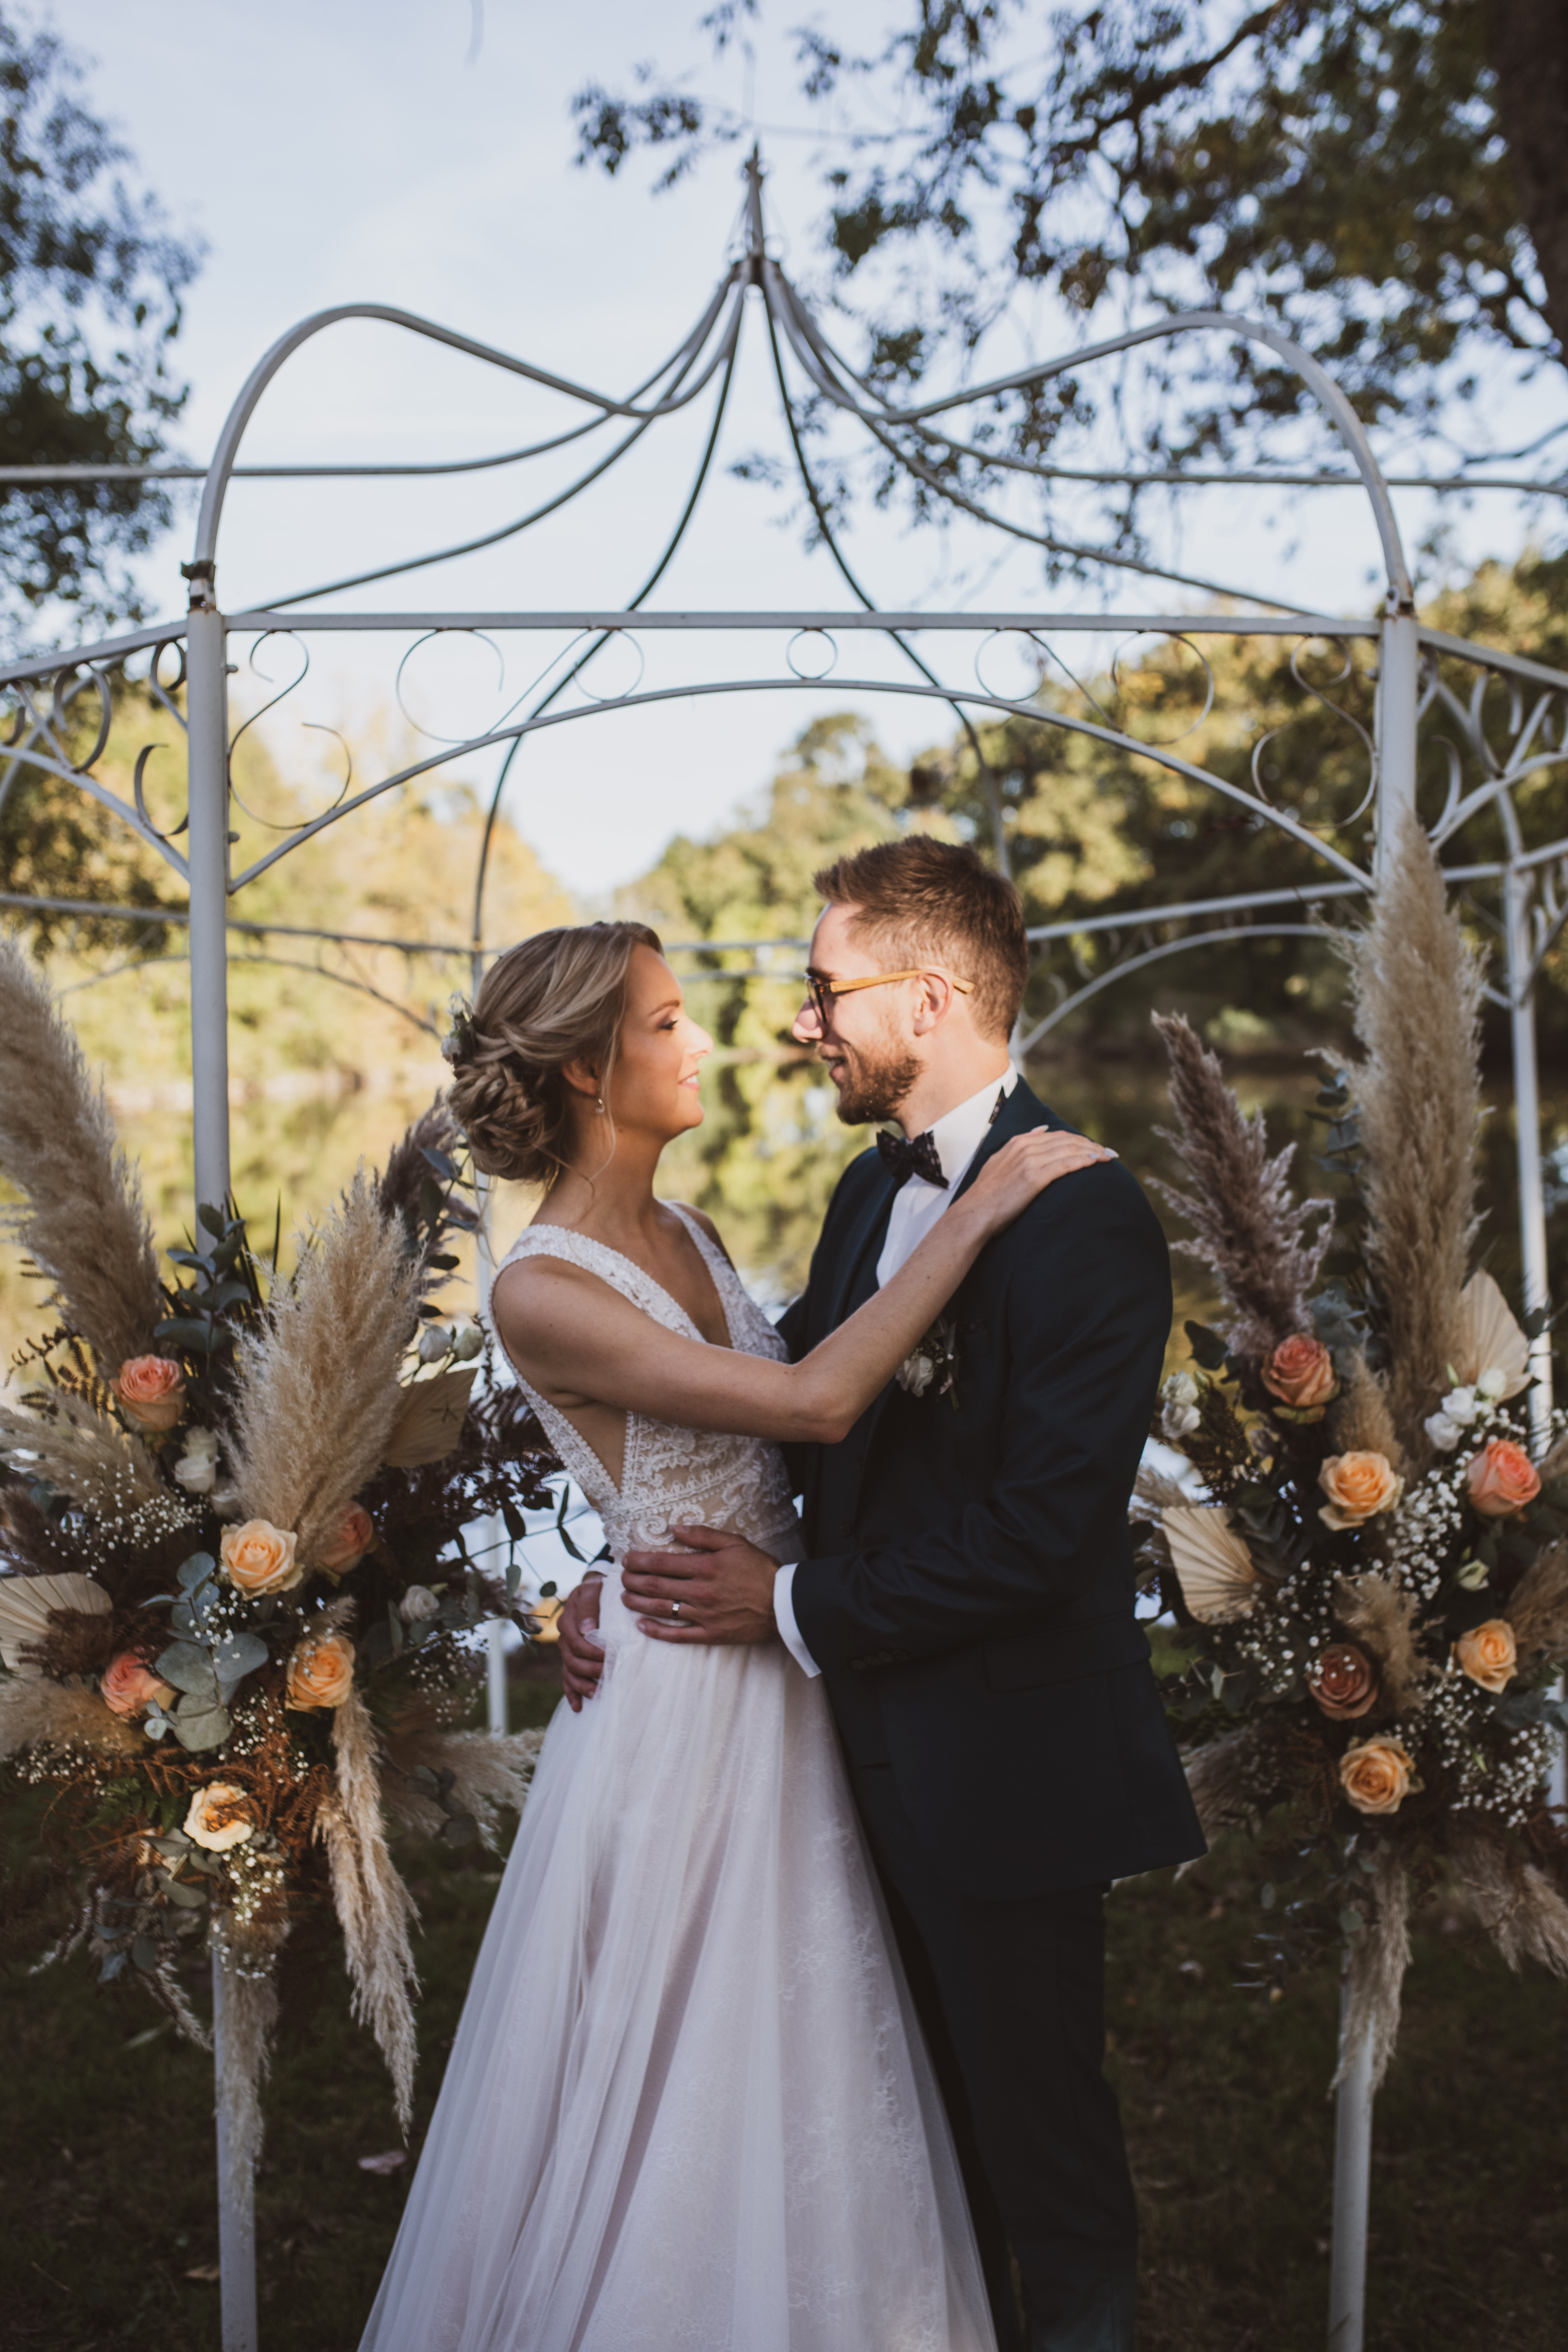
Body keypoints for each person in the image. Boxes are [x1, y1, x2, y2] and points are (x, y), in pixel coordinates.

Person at [356, 915, 1111, 2352]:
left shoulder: (693, 1228)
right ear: (587, 1067)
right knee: (685, 2049)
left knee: (819, 2039)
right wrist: (987, 1200)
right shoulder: (542, 1285)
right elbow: (818, 1403)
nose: (701, 1043)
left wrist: (609, 1566)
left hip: (785, 1667)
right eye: (666, 1022)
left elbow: (748, 1468)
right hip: (684, 1702)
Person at [559, 841, 1206, 2352]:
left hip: (1003, 1767)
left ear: (929, 993)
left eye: (821, 986)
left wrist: (786, 1607)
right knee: (908, 2150)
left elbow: (1042, 1532)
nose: (800, 1021)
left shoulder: (1086, 1210)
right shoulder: (867, 1191)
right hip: (835, 1762)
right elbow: (771, 1423)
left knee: (1045, 2157)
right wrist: (622, 1570)